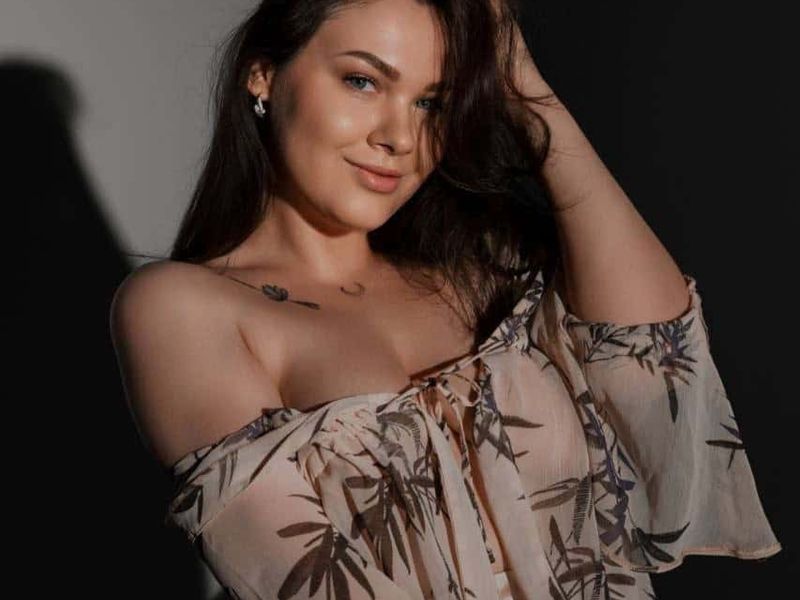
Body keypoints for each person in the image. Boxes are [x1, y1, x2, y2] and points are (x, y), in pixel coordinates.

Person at [109, 0, 782, 598]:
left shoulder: (485, 275)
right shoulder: (182, 309)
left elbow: (656, 369)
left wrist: (527, 92)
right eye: (363, 81)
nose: (400, 138)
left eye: (432, 102)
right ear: (263, 74)